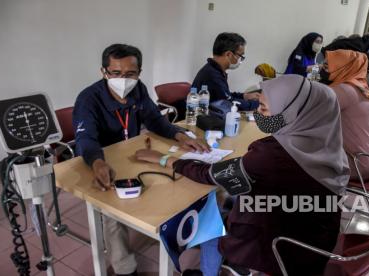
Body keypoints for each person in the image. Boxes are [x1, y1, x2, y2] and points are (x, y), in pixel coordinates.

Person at [135, 74, 350, 275]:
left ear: (291, 113)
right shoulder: (327, 141)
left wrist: (163, 159)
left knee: (212, 221)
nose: (258, 114)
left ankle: (221, 269)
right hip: (316, 237)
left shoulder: (273, 154)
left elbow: (210, 174)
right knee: (229, 198)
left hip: (282, 246)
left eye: (264, 109)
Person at [73, 43, 210, 276]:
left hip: (133, 154)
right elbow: (86, 140)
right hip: (101, 160)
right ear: (103, 72)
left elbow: (155, 120)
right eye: (115, 73)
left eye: (130, 74)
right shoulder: (88, 99)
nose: (123, 79)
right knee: (112, 213)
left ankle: (173, 232)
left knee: (168, 184)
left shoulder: (138, 90)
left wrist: (179, 135)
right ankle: (125, 269)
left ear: (139, 72)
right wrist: (98, 163)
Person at [321, 49, 369, 180]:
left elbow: (308, 116)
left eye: (329, 65)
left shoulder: (344, 90)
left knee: (295, 154)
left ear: (343, 67)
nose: (324, 67)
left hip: (358, 163)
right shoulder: (360, 87)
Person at [192, 32, 260, 111]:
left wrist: (244, 96)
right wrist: (260, 103)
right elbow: (229, 104)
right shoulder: (212, 75)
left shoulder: (215, 70)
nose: (240, 60)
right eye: (240, 56)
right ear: (228, 54)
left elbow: (227, 95)